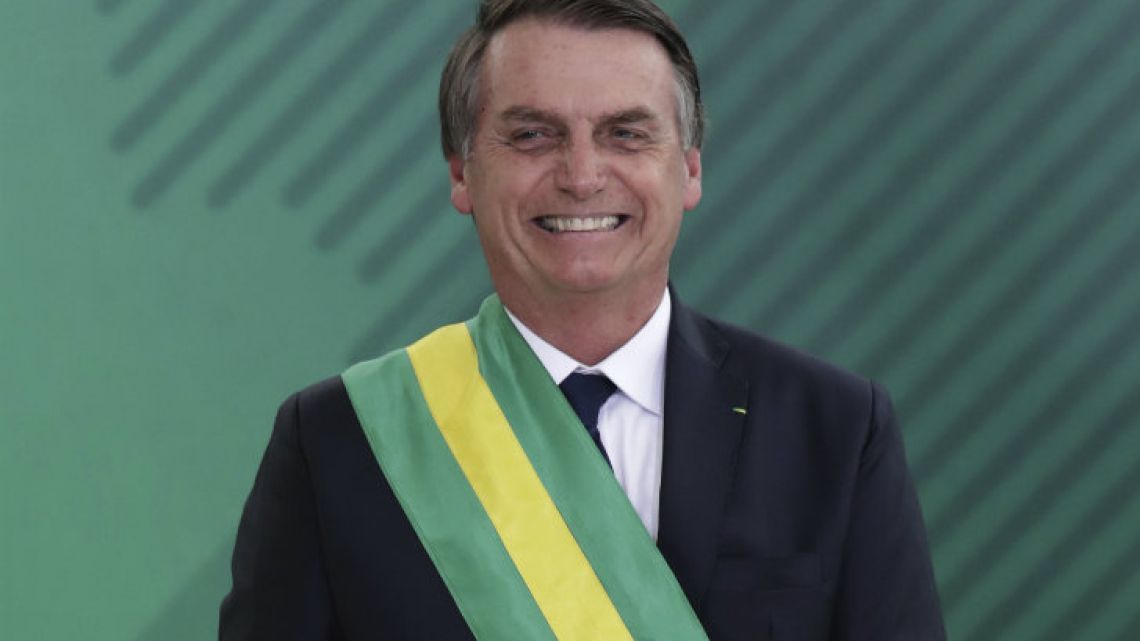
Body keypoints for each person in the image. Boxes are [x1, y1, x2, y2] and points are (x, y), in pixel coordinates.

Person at [219, 0, 947, 639]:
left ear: (690, 169)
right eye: (533, 135)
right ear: (461, 171)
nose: (582, 175)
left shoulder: (837, 429)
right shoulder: (339, 443)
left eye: (626, 134)